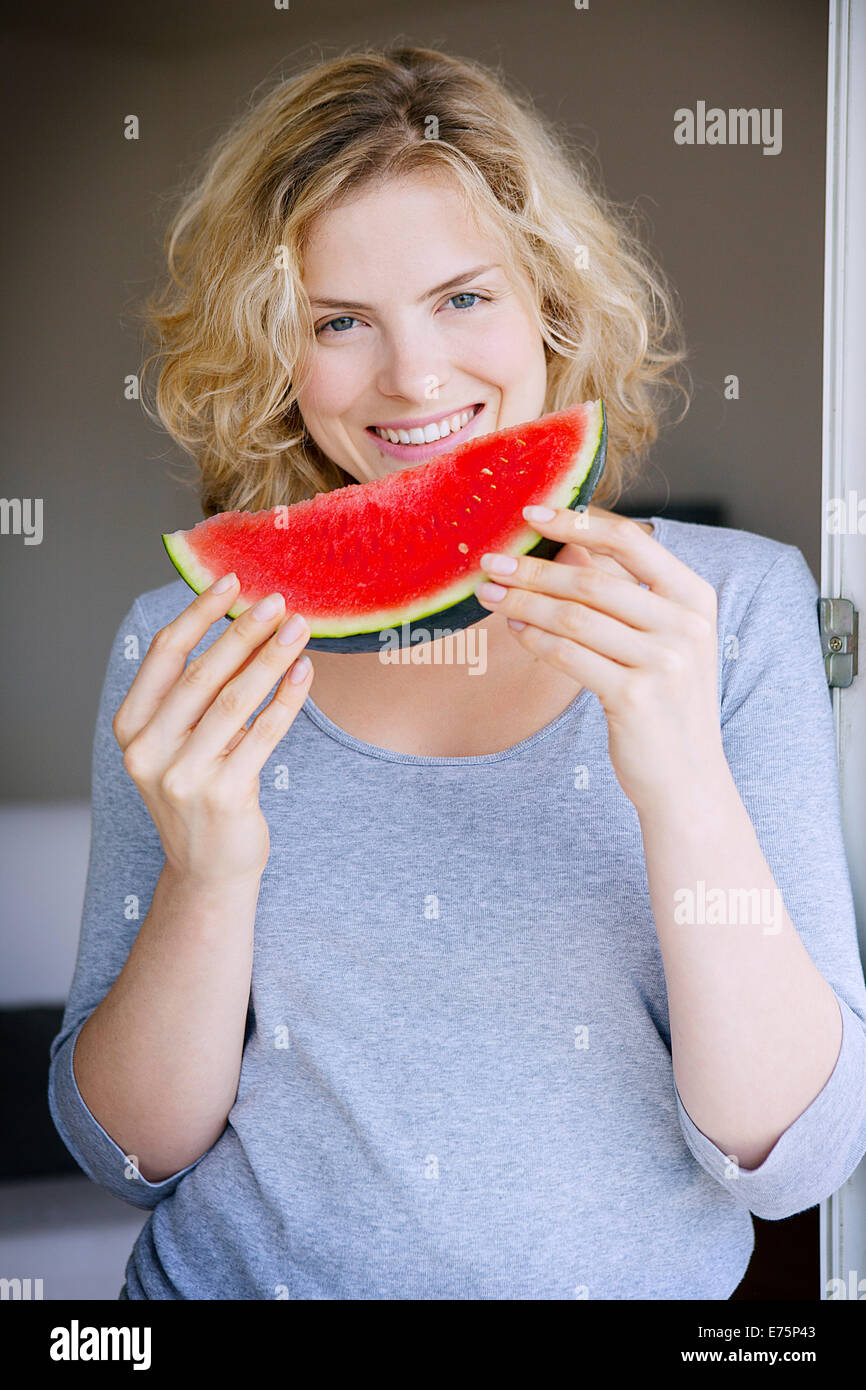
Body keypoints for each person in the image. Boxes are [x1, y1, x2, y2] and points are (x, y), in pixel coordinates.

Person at [48, 44, 866, 1301]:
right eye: (337, 322)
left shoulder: (731, 611)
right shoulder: (186, 641)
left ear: (547, 298)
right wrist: (209, 876)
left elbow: (791, 1156)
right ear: (273, 351)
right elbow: (129, 1153)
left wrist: (682, 777)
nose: (415, 378)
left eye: (463, 299)